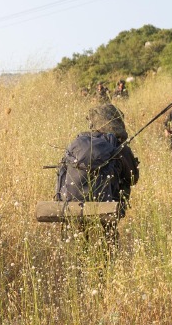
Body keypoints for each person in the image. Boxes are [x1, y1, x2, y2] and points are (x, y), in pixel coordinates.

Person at [56, 103, 141, 244]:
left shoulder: (78, 143)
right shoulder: (119, 147)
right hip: (108, 206)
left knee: (80, 236)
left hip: (74, 204)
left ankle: (82, 249)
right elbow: (132, 178)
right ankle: (109, 250)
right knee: (109, 235)